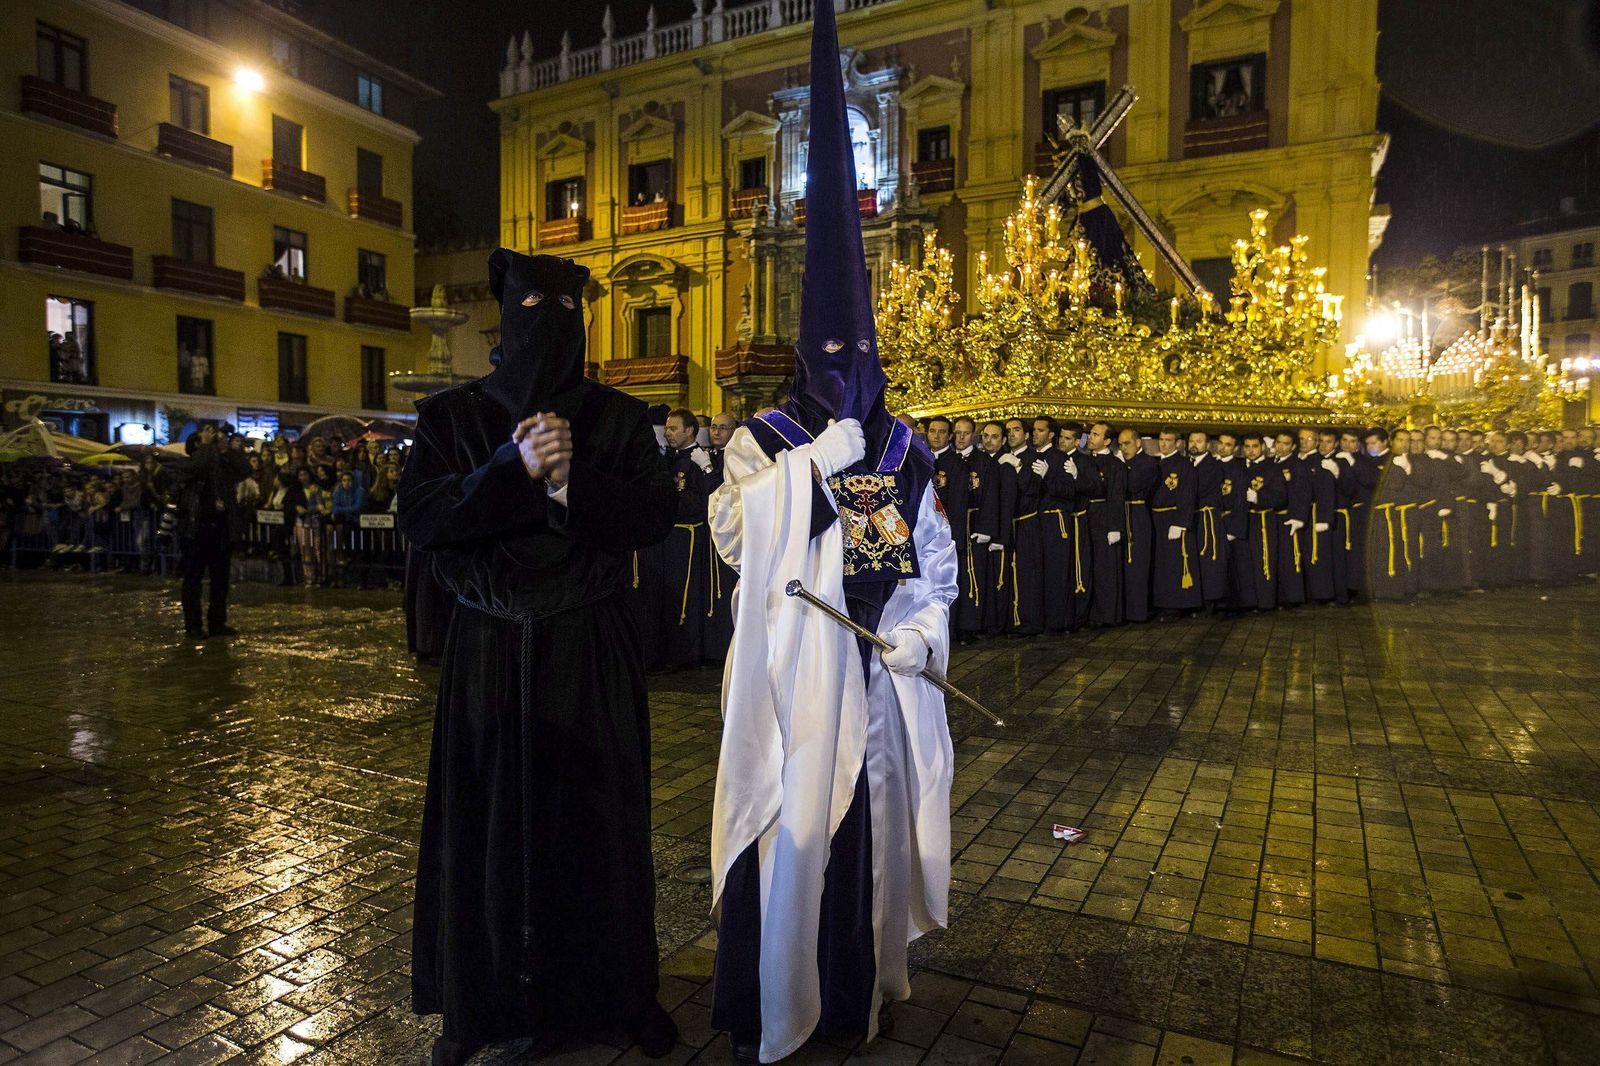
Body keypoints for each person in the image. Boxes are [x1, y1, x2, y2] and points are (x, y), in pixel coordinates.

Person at [707, 8, 957, 1061]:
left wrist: (921, 633)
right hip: (793, 681)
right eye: (829, 344)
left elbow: (927, 560)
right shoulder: (766, 437)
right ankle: (773, 1005)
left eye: (861, 343)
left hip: (876, 683)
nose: (846, 358)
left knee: (865, 847)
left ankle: (858, 994)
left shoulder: (902, 445)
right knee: (793, 837)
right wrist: (818, 457)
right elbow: (733, 533)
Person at [397, 248, 679, 1066]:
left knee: (601, 827)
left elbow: (653, 517)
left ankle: (622, 994)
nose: (547, 329)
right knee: (484, 828)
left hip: (588, 650)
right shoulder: (451, 418)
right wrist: (511, 469)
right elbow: (424, 519)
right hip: (487, 651)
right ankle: (475, 1007)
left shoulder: (619, 419)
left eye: (564, 311)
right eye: (530, 312)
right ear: (503, 317)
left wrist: (566, 484)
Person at [662, 408, 716, 668]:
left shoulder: (700, 459)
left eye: (673, 428)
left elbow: (704, 499)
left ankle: (686, 652)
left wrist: (672, 501)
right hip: (670, 537)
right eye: (667, 428)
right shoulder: (668, 459)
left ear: (690, 430)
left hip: (690, 537)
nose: (667, 433)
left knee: (686, 596)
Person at [1151, 428, 1199, 618]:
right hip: (1157, 518)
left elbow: (1188, 495)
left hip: (1173, 518)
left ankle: (1177, 604)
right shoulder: (1156, 464)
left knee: (1174, 562)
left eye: (1168, 440)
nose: (1163, 444)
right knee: (1161, 563)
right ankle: (1162, 602)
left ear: (1178, 443)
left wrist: (1181, 523)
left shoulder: (1184, 465)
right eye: (1161, 440)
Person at [1084, 422, 1125, 626]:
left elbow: (1116, 496)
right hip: (1086, 518)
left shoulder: (1114, 464)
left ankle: (1107, 614)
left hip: (1104, 519)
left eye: (1096, 435)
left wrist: (1114, 527)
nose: (1090, 438)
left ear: (1107, 441)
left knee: (1105, 570)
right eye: (1090, 434)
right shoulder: (1084, 460)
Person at [1117, 429, 1157, 622]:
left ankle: (1138, 611)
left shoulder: (1148, 463)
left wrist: (1119, 468)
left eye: (1127, 444)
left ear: (1138, 443)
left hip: (1138, 513)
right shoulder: (1123, 464)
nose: (1124, 448)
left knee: (1138, 563)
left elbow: (1132, 485)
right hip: (1122, 513)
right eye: (1121, 445)